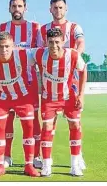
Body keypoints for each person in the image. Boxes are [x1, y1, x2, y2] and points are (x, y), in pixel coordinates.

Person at [0, 32, 40, 177]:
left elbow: (45, 56)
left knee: (29, 130)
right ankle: (0, 166)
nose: (4, 50)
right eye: (1, 46)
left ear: (13, 46)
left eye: (7, 46)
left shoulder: (25, 55)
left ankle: (29, 165)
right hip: (2, 98)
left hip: (23, 98)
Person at [30, 28, 87, 177]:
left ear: (63, 42)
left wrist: (81, 95)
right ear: (46, 43)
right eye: (50, 42)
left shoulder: (72, 54)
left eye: (57, 42)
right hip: (49, 98)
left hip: (69, 97)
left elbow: (83, 70)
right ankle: (47, 164)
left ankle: (75, 164)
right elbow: (19, 53)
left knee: (75, 125)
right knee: (47, 127)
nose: (54, 46)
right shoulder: (38, 53)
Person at [39, 0, 86, 170]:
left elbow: (80, 42)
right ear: (50, 9)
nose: (58, 11)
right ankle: (45, 160)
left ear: (66, 9)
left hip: (70, 81)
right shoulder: (43, 29)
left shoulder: (74, 27)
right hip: (50, 83)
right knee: (50, 124)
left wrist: (74, 57)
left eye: (61, 8)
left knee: (74, 122)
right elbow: (37, 50)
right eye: (55, 8)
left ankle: (77, 157)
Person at [0, 0, 42, 168]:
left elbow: (39, 53)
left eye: (20, 6)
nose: (17, 9)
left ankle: (35, 156)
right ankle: (7, 156)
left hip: (29, 83)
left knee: (32, 121)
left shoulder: (34, 27)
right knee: (7, 120)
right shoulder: (2, 28)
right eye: (14, 6)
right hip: (7, 83)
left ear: (25, 8)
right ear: (9, 9)